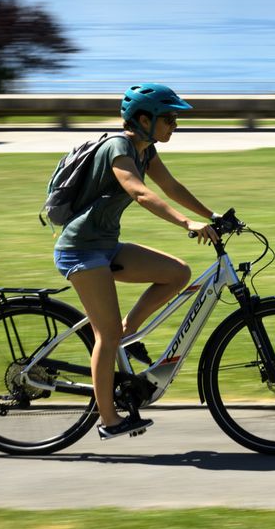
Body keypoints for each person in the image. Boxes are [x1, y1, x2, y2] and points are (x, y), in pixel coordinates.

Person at [52, 83, 220, 440]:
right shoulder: (119, 147)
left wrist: (212, 215)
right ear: (144, 119)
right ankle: (109, 420)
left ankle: (128, 334)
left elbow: (171, 187)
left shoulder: (146, 151)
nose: (175, 124)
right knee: (106, 335)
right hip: (80, 249)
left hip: (106, 246)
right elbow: (140, 193)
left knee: (177, 273)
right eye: (170, 118)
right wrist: (187, 223)